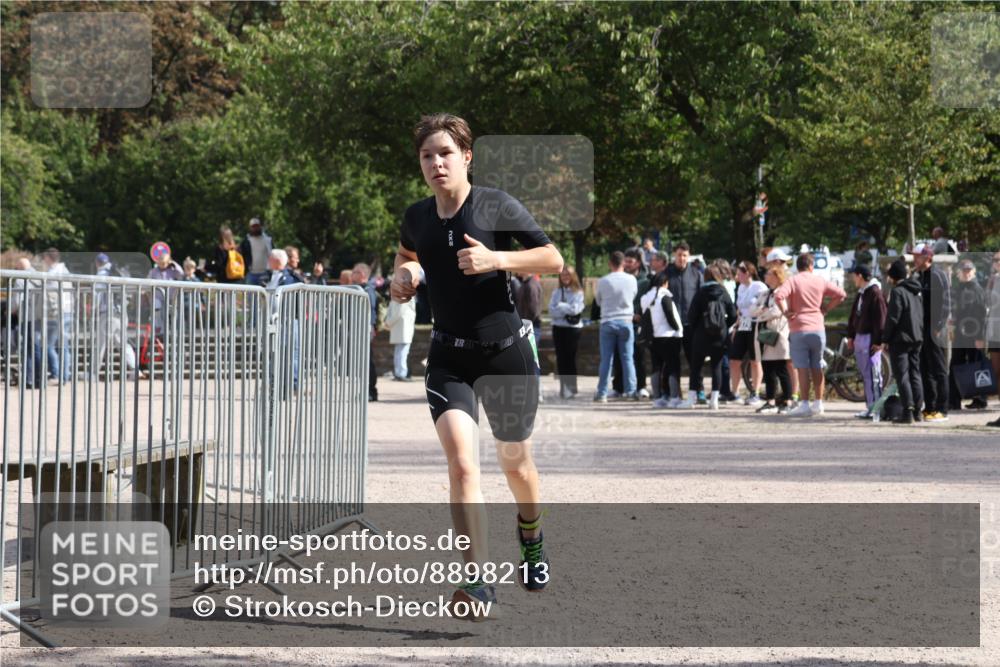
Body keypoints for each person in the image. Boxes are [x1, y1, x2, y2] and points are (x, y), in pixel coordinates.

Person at [390, 113, 563, 617]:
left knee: (516, 465)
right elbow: (409, 256)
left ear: (466, 156)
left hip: (504, 353)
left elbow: (552, 259)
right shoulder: (416, 216)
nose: (436, 163)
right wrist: (405, 275)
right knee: (463, 464)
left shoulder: (496, 204)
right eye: (427, 155)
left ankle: (531, 535)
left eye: (445, 153)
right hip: (449, 358)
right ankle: (478, 580)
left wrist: (497, 260)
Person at [774, 252, 847, 417]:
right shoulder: (819, 280)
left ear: (797, 266)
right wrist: (826, 308)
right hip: (818, 328)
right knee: (817, 366)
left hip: (799, 328)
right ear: (811, 266)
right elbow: (841, 295)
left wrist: (786, 312)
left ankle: (805, 403)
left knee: (802, 368)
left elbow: (779, 296)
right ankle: (819, 403)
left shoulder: (793, 280)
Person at [676, 263, 737, 409]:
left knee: (696, 367)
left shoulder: (701, 292)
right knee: (716, 366)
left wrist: (698, 328)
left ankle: (691, 399)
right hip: (719, 336)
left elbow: (691, 316)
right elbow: (733, 314)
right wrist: (724, 325)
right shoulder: (723, 292)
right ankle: (714, 400)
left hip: (701, 336)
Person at [912, 243, 952, 421]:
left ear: (927, 257)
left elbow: (945, 303)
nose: (914, 259)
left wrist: (938, 327)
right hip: (923, 329)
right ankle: (930, 406)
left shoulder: (936, 275)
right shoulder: (919, 276)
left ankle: (943, 409)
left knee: (939, 369)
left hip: (935, 329)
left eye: (917, 256)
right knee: (925, 368)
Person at [883, 259, 925, 424]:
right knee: (915, 373)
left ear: (893, 276)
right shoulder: (915, 291)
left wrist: (885, 338)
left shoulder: (897, 292)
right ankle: (918, 410)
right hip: (917, 336)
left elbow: (893, 317)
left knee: (902, 375)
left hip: (901, 338)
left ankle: (907, 410)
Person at [594, 251, 639, 402]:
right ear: (623, 263)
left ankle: (602, 393)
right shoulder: (632, 279)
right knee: (628, 358)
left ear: (610, 263)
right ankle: (631, 391)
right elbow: (633, 295)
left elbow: (598, 301)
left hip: (608, 321)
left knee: (606, 359)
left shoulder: (603, 281)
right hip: (626, 320)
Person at [845, 265, 887, 418]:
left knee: (873, 374)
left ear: (860, 276)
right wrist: (851, 335)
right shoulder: (861, 293)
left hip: (870, 338)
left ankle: (876, 407)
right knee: (866, 374)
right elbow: (853, 315)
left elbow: (881, 319)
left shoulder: (875, 292)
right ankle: (870, 406)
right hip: (860, 337)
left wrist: (878, 340)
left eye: (854, 275)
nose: (852, 278)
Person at [751, 265, 793, 414]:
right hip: (764, 334)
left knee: (781, 369)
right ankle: (770, 401)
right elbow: (752, 310)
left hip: (778, 334)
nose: (766, 276)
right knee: (768, 370)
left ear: (776, 276)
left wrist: (762, 312)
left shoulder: (782, 293)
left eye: (769, 274)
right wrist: (762, 312)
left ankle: (788, 401)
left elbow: (776, 311)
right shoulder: (764, 294)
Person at [949, 259, 988, 411]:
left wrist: (980, 337)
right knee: (956, 365)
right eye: (963, 270)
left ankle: (980, 398)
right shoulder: (959, 289)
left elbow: (981, 315)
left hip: (973, 334)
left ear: (974, 272)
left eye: (968, 270)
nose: (966, 273)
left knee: (977, 366)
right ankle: (954, 399)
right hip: (961, 334)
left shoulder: (977, 290)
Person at [666, 242, 703, 401]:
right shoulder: (666, 274)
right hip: (671, 326)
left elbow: (702, 299)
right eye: (679, 255)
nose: (681, 258)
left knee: (695, 360)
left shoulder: (696, 274)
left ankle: (698, 391)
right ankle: (673, 393)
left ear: (689, 256)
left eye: (685, 255)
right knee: (672, 362)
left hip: (690, 326)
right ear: (674, 255)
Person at [642, 272, 684, 408]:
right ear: (665, 283)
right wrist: (678, 328)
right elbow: (671, 317)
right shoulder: (664, 297)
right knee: (673, 367)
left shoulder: (645, 298)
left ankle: (658, 397)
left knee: (656, 368)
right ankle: (674, 397)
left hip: (653, 338)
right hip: (669, 336)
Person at [93, 253, 137, 379]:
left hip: (107, 314)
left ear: (97, 263)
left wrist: (94, 309)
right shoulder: (117, 271)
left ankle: (94, 372)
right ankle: (134, 369)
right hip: (122, 312)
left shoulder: (102, 274)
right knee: (122, 342)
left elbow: (98, 294)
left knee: (100, 344)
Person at [265, 249, 303, 390]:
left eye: (270, 258)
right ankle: (273, 382)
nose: (268, 260)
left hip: (289, 318)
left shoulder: (292, 277)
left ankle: (293, 384)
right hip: (272, 319)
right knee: (273, 352)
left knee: (292, 352)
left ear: (277, 261)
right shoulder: (268, 276)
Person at [730, 260, 767, 405]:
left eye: (740, 273)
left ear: (748, 273)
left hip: (756, 324)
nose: (737, 277)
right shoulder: (740, 288)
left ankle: (755, 392)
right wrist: (736, 326)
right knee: (734, 359)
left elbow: (763, 305)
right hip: (743, 324)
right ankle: (735, 392)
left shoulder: (759, 286)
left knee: (755, 359)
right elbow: (739, 309)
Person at [549, 265, 585, 399]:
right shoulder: (556, 292)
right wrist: (565, 309)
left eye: (567, 275)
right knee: (561, 359)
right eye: (563, 275)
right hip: (558, 328)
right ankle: (563, 389)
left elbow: (575, 310)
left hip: (572, 330)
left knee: (570, 359)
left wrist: (561, 306)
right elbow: (551, 311)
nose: (565, 277)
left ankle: (571, 388)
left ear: (572, 276)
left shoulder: (578, 292)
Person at [40, 248, 74, 384]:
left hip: (56, 312)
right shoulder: (65, 270)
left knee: (48, 345)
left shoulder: (53, 273)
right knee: (64, 346)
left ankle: (56, 373)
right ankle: (65, 375)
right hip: (68, 310)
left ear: (49, 258)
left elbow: (50, 295)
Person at [352, 262, 380, 402]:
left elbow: (369, 310)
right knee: (362, 361)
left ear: (362, 274)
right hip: (361, 327)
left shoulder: (367, 290)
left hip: (364, 327)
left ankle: (371, 391)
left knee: (366, 361)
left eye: (355, 272)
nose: (352, 274)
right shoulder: (363, 289)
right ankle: (367, 390)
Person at [147, 242, 185, 338]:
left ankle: (175, 331)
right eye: (160, 262)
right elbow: (147, 281)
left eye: (164, 263)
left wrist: (174, 264)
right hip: (158, 297)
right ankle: (160, 330)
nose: (162, 265)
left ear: (168, 262)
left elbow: (181, 274)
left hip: (171, 297)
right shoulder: (153, 271)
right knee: (158, 310)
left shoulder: (172, 270)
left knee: (172, 314)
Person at [384, 290, 416, 381]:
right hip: (404, 327)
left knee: (399, 351)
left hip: (399, 327)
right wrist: (388, 322)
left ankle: (398, 373)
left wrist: (388, 322)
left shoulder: (397, 294)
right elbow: (399, 311)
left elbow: (392, 311)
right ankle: (401, 373)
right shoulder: (405, 293)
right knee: (402, 351)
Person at [986, 251, 1000, 427]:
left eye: (998, 260)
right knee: (997, 373)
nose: (996, 263)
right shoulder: (993, 280)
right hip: (995, 332)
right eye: (994, 260)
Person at [238, 217, 273, 287]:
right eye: (253, 226)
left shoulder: (268, 240)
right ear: (250, 228)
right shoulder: (246, 242)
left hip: (265, 273)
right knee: (250, 297)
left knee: (266, 296)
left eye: (257, 226)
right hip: (250, 274)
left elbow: (272, 254)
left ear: (260, 226)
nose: (255, 228)